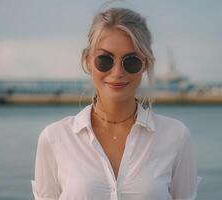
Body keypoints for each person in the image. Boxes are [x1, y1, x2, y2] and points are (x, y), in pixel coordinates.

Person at [31, 7, 201, 200]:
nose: (117, 72)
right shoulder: (54, 138)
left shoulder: (176, 137)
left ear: (145, 64)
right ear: (87, 60)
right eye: (105, 59)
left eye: (131, 61)